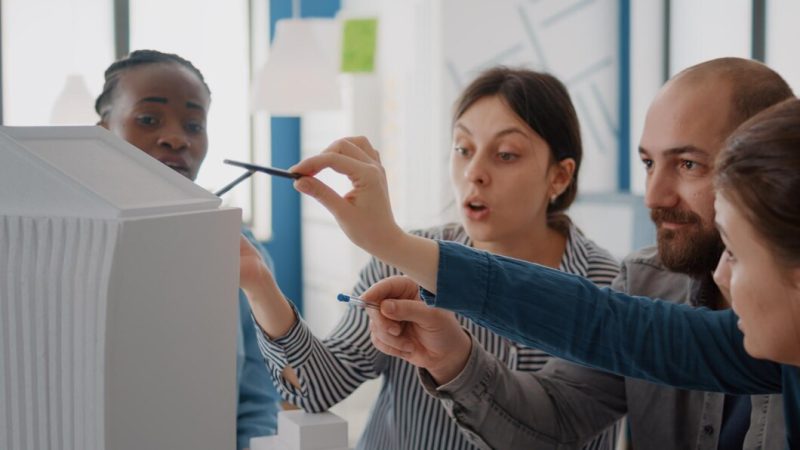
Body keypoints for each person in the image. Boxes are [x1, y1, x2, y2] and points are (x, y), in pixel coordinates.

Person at [288, 75, 800, 445]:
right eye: (647, 163)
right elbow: (596, 336)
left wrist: (393, 243)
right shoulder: (646, 284)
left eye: (688, 164)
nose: (653, 195)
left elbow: (597, 322)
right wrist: (450, 357)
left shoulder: (605, 276)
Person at [240, 67, 621, 449]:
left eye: (506, 154)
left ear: (559, 177)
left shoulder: (609, 288)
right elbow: (315, 390)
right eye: (463, 149)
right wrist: (258, 282)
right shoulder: (401, 263)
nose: (474, 172)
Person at [94, 49, 281, 450]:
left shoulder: (242, 258)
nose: (177, 137)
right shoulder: (63, 249)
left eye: (194, 124)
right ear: (102, 131)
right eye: (148, 119)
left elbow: (257, 398)